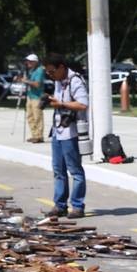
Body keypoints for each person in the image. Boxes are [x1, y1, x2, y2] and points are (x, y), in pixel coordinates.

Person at [43, 53, 88, 219]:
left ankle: (77, 206)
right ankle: (60, 205)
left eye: (52, 71)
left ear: (61, 67)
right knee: (58, 170)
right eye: (48, 73)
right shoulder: (58, 81)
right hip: (58, 130)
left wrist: (61, 104)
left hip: (71, 132)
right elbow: (59, 101)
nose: (50, 75)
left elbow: (83, 104)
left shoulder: (75, 80)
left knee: (75, 171)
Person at [16, 54, 46, 143]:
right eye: (27, 61)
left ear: (35, 62)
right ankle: (34, 134)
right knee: (30, 116)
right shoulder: (31, 70)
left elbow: (37, 84)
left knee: (37, 116)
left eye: (30, 61)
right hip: (30, 96)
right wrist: (20, 79)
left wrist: (25, 81)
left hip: (37, 97)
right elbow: (27, 81)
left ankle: (39, 136)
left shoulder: (40, 70)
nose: (27, 63)